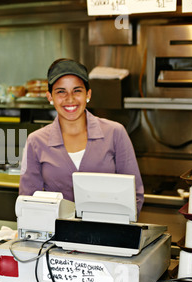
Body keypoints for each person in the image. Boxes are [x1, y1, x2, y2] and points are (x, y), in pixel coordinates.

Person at [19, 58, 144, 214]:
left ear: (88, 94)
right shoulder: (36, 141)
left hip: (109, 233)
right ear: (50, 97)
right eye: (61, 91)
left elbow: (135, 195)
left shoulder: (114, 133)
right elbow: (29, 200)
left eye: (77, 90)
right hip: (57, 235)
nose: (70, 98)